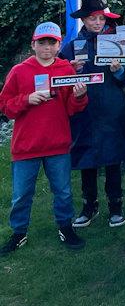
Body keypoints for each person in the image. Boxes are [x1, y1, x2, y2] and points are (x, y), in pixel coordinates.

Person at [0, 22, 88, 255]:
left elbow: (71, 108)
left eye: (52, 43)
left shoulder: (65, 70)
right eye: (42, 43)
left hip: (58, 144)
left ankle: (65, 227)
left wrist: (79, 96)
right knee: (21, 194)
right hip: (26, 146)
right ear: (33, 45)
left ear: (59, 45)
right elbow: (6, 107)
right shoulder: (19, 71)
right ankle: (18, 232)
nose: (47, 48)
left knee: (63, 191)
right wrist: (27, 99)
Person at [60, 0, 125, 229]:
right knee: (86, 158)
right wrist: (70, 69)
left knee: (113, 157)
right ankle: (89, 205)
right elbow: (60, 79)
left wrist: (119, 70)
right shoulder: (71, 47)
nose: (98, 22)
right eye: (93, 18)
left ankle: (116, 205)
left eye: (102, 18)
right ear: (84, 19)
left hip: (112, 109)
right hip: (84, 111)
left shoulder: (119, 43)